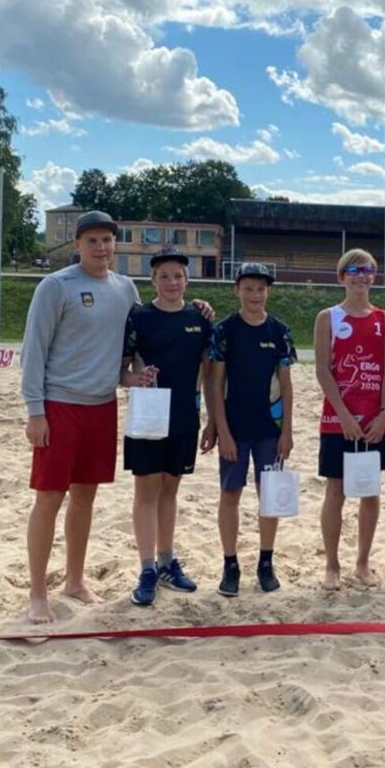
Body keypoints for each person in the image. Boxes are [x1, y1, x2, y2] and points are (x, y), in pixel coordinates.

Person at [21, 210, 140, 624]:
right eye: (92, 241)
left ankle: (74, 580)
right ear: (77, 245)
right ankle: (37, 592)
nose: (101, 247)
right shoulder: (56, 286)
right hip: (59, 404)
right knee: (49, 497)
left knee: (85, 497)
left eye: (107, 240)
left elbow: (138, 339)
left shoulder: (125, 288)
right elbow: (34, 350)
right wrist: (35, 411)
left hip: (102, 405)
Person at [120, 246, 213, 606]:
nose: (172, 282)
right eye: (164, 276)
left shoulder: (200, 317)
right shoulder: (139, 317)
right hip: (148, 415)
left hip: (185, 417)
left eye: (178, 276)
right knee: (146, 491)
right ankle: (146, 568)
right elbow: (121, 373)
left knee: (170, 491)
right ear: (153, 280)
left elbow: (210, 372)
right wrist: (137, 378)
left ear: (187, 279)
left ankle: (166, 562)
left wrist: (212, 421)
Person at [204, 262, 296, 597]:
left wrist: (287, 431)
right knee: (230, 494)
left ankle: (266, 562)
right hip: (235, 427)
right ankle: (230, 564)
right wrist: (221, 430)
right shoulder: (225, 330)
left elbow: (286, 385)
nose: (255, 295)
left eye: (261, 289)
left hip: (270, 428)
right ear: (237, 290)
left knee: (269, 495)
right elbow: (216, 384)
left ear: (268, 291)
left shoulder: (279, 331)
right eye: (248, 288)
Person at [314, 249, 385, 590]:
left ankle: (362, 562)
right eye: (353, 270)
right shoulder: (328, 317)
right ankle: (332, 564)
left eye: (367, 270)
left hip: (374, 420)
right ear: (342, 276)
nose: (361, 276)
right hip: (338, 419)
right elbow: (323, 370)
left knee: (370, 492)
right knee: (335, 490)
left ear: (373, 277)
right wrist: (344, 415)